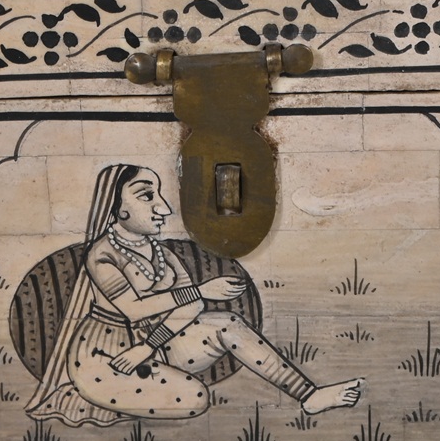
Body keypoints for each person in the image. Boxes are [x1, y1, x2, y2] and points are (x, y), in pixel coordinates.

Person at [24, 164, 362, 427]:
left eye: (158, 195)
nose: (163, 208)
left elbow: (194, 307)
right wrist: (198, 290)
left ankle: (308, 395)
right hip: (107, 356)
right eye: (146, 196)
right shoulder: (103, 254)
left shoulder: (160, 252)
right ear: (118, 207)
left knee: (227, 322)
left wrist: (148, 346)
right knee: (195, 398)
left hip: (153, 345)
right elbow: (134, 310)